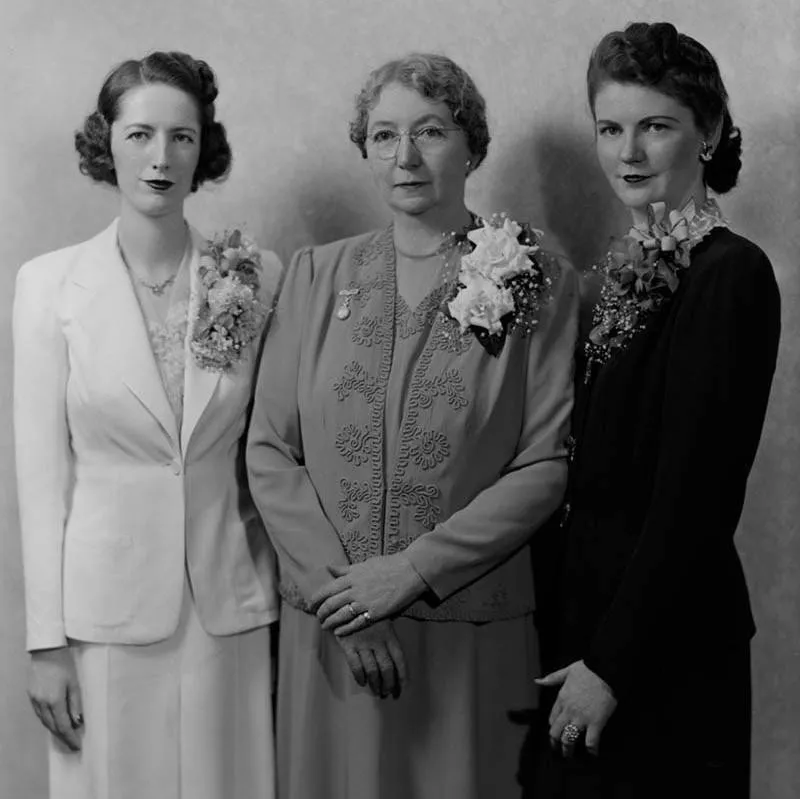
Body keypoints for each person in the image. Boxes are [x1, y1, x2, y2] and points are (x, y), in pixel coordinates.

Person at [245, 52, 578, 799]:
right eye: (384, 134)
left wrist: (411, 570)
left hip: (468, 632)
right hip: (335, 639)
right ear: (364, 149)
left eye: (429, 131)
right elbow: (269, 449)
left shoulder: (537, 279)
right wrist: (350, 605)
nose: (405, 156)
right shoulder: (311, 275)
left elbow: (544, 465)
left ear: (472, 145)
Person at [13, 51, 281, 799]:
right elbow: (40, 477)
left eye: (182, 137)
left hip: (226, 602)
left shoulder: (259, 275)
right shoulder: (47, 286)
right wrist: (44, 644)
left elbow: (271, 452)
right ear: (107, 142)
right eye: (139, 136)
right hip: (102, 612)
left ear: (205, 148)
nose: (161, 158)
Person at [525, 22, 781, 799]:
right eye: (610, 128)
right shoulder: (622, 267)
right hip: (587, 629)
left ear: (707, 134)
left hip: (661, 651)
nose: (628, 152)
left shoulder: (730, 274)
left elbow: (695, 499)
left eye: (655, 126)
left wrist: (612, 663)